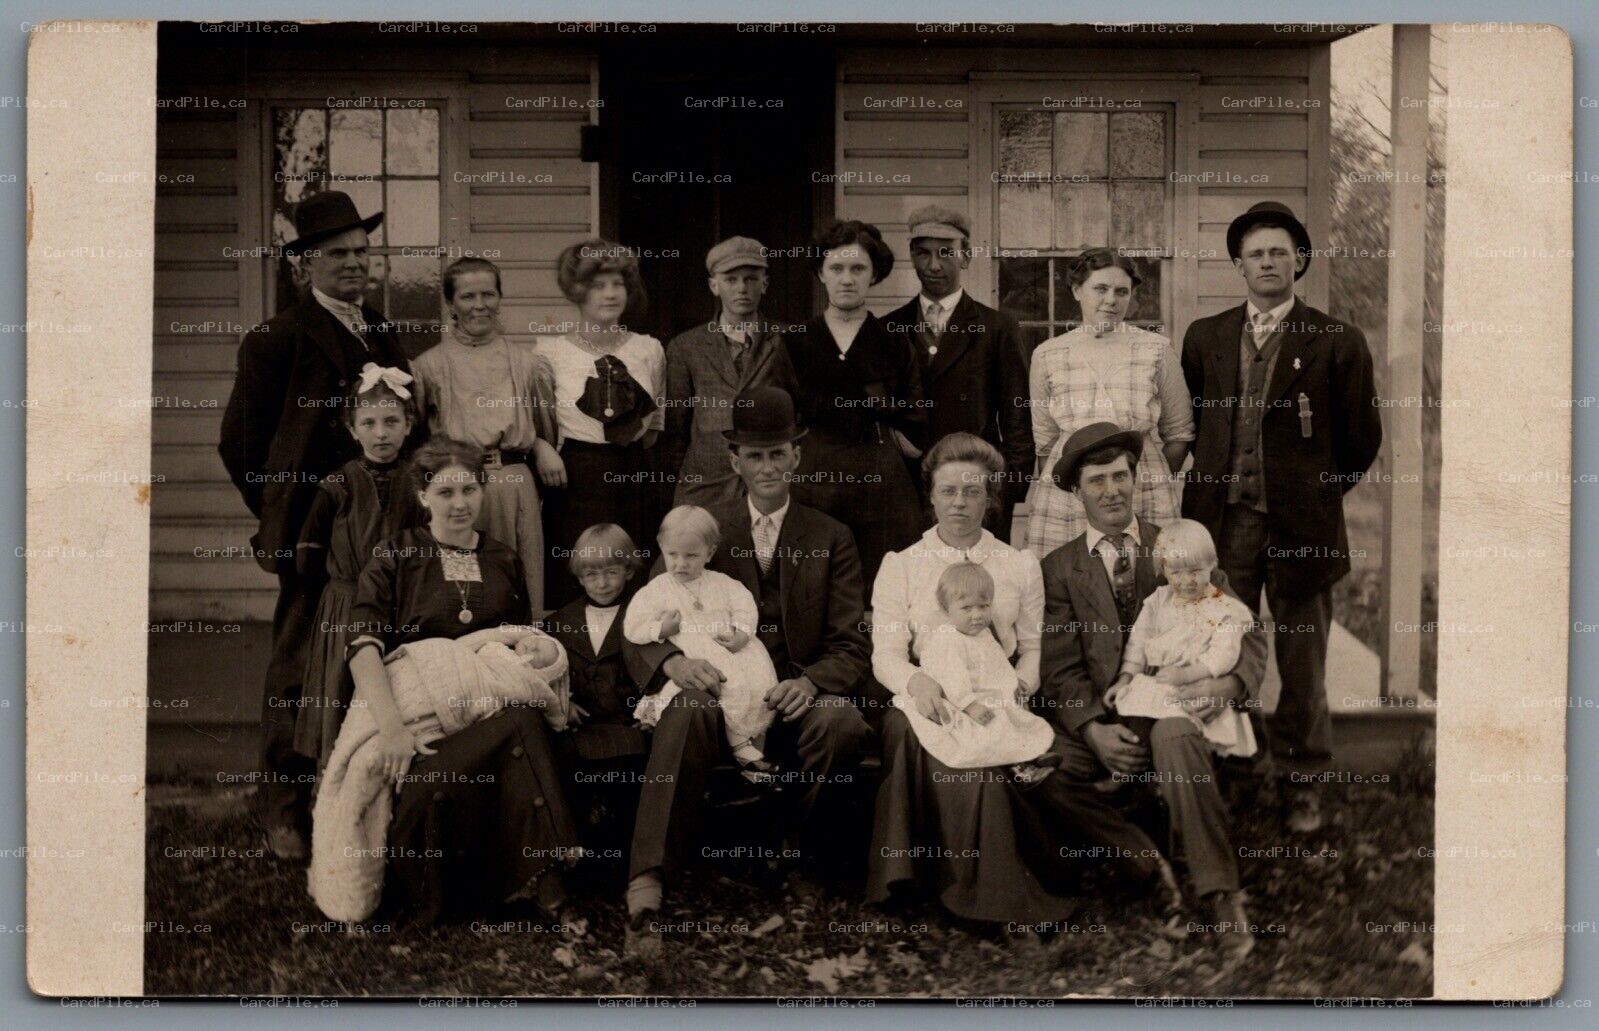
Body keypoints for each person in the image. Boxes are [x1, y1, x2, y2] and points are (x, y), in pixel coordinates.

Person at [869, 432, 1180, 926]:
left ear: (991, 496)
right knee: (941, 749)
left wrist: (1020, 687)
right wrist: (917, 684)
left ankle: (1107, 871)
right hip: (925, 703)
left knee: (1039, 766)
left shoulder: (1018, 565)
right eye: (948, 491)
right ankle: (947, 887)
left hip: (1003, 701)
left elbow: (1033, 645)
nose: (960, 503)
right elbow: (885, 656)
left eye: (973, 491)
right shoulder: (902, 565)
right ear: (930, 494)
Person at [619, 386, 872, 957]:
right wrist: (676, 661)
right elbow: (646, 618)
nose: (766, 468)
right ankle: (648, 885)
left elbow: (851, 642)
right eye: (753, 456)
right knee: (686, 709)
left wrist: (810, 682)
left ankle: (801, 860)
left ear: (796, 457)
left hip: (798, 691)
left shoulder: (830, 536)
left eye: (777, 454)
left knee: (843, 726)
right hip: (722, 689)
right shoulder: (699, 531)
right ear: (734, 461)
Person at [218, 190, 413, 860]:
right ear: (305, 264)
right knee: (299, 663)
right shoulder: (276, 340)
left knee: (374, 653)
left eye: (362, 251)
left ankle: (353, 796)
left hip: (381, 527)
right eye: (338, 254)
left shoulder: (381, 332)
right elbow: (240, 445)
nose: (355, 264)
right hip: (313, 536)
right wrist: (286, 515)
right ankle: (282, 807)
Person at [1179, 202, 1382, 833]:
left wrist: (1311, 495)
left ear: (1299, 260)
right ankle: (1225, 769)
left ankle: (1302, 782)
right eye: (1256, 253)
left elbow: (1359, 441)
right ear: (1238, 265)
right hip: (1223, 523)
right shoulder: (1205, 337)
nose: (1268, 262)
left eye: (1279, 251)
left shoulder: (1337, 341)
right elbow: (1194, 423)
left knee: (1301, 659)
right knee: (1219, 649)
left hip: (1301, 529)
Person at [1037, 421, 1267, 962]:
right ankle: (1147, 865)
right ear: (1076, 491)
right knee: (1037, 764)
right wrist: (1093, 730)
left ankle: (1218, 892)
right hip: (1106, 715)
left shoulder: (1179, 545)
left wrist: (1228, 682)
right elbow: (1061, 667)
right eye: (1097, 481)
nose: (1112, 490)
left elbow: (1244, 627)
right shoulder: (1059, 569)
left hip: (1173, 706)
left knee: (1175, 735)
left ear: (1137, 479)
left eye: (1121, 476)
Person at [332, 436, 580, 926]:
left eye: (469, 490)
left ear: (483, 491)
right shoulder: (396, 556)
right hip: (420, 727)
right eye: (445, 493)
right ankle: (548, 879)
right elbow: (362, 650)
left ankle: (543, 880)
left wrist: (550, 689)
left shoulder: (503, 559)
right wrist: (392, 731)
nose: (459, 504)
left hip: (489, 715)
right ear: (423, 496)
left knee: (522, 719)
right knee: (514, 730)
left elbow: (519, 645)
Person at [410, 256, 565, 611]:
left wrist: (540, 445)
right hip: (455, 488)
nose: (479, 305)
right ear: (451, 303)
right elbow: (417, 443)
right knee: (463, 591)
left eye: (488, 294)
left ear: (499, 297)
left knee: (518, 585)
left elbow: (545, 427)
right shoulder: (429, 367)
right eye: (467, 297)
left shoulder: (526, 363)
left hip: (512, 485)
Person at [293, 364, 426, 771]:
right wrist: (338, 594)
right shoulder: (338, 485)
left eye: (391, 421)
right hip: (347, 606)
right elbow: (307, 556)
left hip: (403, 604)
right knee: (343, 693)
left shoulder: (419, 482)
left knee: (399, 695)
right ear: (352, 430)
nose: (380, 433)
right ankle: (334, 788)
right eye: (368, 423)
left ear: (409, 425)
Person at [1023, 248, 1194, 559]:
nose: (1111, 300)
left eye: (1121, 291)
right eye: (1100, 289)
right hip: (1071, 494)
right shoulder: (1048, 354)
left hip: (1141, 488)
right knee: (1071, 580)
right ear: (1077, 290)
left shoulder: (1155, 349)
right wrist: (1072, 485)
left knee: (1147, 579)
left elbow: (1179, 432)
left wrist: (1143, 476)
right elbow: (1046, 441)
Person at [786, 219, 927, 587]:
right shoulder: (795, 342)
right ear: (820, 273)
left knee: (880, 586)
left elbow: (915, 412)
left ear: (874, 274)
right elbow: (781, 412)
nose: (847, 279)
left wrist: (886, 430)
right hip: (812, 479)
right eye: (836, 268)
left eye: (858, 268)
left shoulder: (894, 343)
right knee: (815, 582)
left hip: (879, 483)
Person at [883, 205, 1032, 537]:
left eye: (946, 253)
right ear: (912, 256)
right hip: (910, 490)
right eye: (923, 253)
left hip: (976, 490)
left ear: (966, 256)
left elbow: (1017, 418)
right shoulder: (887, 329)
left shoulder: (997, 327)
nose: (934, 265)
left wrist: (1005, 490)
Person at [540, 239, 666, 608]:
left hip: (632, 470)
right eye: (598, 285)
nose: (610, 294)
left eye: (618, 284)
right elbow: (541, 423)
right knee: (582, 572)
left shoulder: (648, 349)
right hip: (577, 474)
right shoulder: (551, 353)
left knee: (630, 570)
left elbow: (656, 420)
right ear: (577, 290)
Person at [625, 506, 780, 779]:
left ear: (709, 553)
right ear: (661, 547)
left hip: (731, 650)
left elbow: (745, 607)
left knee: (756, 686)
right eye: (672, 555)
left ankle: (755, 751)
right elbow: (632, 627)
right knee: (719, 687)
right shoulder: (657, 589)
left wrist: (742, 633)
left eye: (691, 555)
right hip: (695, 656)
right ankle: (740, 747)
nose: (680, 564)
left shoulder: (724, 583)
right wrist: (660, 628)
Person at [662, 236, 798, 508]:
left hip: (768, 481)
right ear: (714, 285)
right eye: (731, 279)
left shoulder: (789, 340)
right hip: (705, 485)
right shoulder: (686, 346)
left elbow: (800, 412)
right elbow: (675, 428)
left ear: (765, 283)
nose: (742, 289)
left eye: (750, 279)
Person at [1108, 519, 1258, 762]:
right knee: (1134, 720)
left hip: (1194, 687)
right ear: (1163, 570)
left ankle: (1205, 777)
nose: (1186, 581)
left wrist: (1186, 675)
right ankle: (1128, 777)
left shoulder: (1223, 608)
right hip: (1159, 683)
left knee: (1183, 737)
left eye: (1195, 571)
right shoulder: (1158, 600)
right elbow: (1138, 642)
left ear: (1213, 565)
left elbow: (1224, 654)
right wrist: (1125, 677)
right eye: (1176, 572)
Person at [897, 561, 1058, 776]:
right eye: (966, 608)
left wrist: (1013, 680)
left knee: (1020, 716)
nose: (977, 615)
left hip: (985, 693)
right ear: (946, 609)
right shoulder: (946, 639)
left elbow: (997, 664)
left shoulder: (983, 634)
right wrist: (969, 706)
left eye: (984, 606)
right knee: (994, 725)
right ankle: (1020, 768)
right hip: (960, 700)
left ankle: (1031, 754)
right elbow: (950, 679)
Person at [542, 523, 651, 770]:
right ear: (580, 577)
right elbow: (540, 676)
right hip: (576, 728)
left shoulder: (644, 616)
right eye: (591, 574)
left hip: (629, 729)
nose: (602, 584)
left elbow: (660, 673)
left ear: (629, 572)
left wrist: (651, 714)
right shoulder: (558, 623)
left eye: (611, 572)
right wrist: (561, 703)